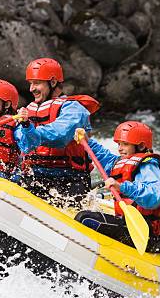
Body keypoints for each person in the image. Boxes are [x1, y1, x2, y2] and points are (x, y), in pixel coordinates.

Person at [74, 121, 160, 253]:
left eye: (125, 144)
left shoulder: (148, 165)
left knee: (85, 219)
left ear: (141, 146)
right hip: (127, 224)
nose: (120, 148)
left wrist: (122, 187)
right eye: (119, 144)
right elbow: (104, 156)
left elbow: (154, 196)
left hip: (145, 231)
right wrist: (87, 141)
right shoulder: (121, 162)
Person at [14, 58, 100, 207]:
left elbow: (61, 135)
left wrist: (30, 130)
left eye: (37, 83)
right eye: (30, 83)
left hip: (69, 179)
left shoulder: (74, 108)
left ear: (53, 83)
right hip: (35, 176)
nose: (31, 89)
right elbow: (23, 144)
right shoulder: (28, 110)